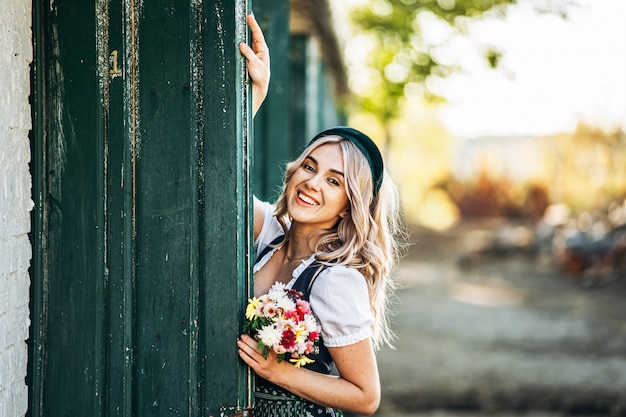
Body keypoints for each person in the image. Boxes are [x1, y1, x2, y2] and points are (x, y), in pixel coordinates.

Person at [237, 14, 405, 417]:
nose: (313, 183)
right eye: (310, 167)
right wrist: (255, 97)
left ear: (350, 205)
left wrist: (280, 373)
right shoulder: (269, 235)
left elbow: (366, 396)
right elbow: (223, 186)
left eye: (334, 181)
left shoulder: (336, 280)